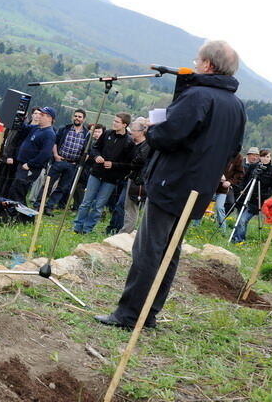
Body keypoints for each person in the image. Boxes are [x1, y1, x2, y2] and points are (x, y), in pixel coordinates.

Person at [95, 40, 246, 330]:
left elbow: (168, 136)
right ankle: (150, 312)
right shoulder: (237, 106)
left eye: (198, 59)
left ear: (208, 65)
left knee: (149, 249)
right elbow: (233, 149)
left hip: (172, 182)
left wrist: (154, 130)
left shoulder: (199, 95)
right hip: (199, 189)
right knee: (170, 251)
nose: (196, 62)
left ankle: (129, 314)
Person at [73, 113, 135, 234]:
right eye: (114, 121)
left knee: (98, 206)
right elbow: (95, 148)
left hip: (111, 179)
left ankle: (87, 229)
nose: (114, 123)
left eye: (117, 122)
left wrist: (113, 165)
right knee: (86, 202)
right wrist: (97, 156)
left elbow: (128, 165)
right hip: (96, 173)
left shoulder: (129, 142)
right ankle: (77, 226)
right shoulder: (107, 134)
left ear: (124, 125)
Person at [5, 107, 57, 202]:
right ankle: (15, 213)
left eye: (42, 115)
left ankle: (22, 215)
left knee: (18, 191)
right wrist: (20, 118)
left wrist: (30, 164)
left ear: (50, 118)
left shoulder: (49, 134)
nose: (39, 117)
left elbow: (45, 154)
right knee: (16, 190)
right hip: (22, 164)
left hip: (30, 167)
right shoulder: (37, 128)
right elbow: (24, 128)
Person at [45, 109, 89, 214]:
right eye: (75, 116)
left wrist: (79, 163)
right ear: (73, 117)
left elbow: (87, 152)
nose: (77, 118)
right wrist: (55, 155)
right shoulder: (65, 129)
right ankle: (39, 204)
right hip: (60, 160)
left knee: (62, 187)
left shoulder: (87, 134)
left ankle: (49, 206)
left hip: (72, 164)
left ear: (84, 119)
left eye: (79, 117)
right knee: (48, 183)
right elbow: (55, 142)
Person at [231, 149, 272, 243]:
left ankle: (239, 241)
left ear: (270, 158)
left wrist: (262, 196)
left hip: (256, 201)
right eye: (263, 156)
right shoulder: (253, 167)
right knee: (240, 219)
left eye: (268, 157)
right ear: (259, 157)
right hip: (244, 198)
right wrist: (242, 189)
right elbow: (244, 179)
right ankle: (235, 238)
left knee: (243, 220)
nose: (265, 159)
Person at [119, 117, 151, 234]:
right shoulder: (135, 144)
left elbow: (138, 161)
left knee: (131, 207)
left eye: (134, 130)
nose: (131, 132)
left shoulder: (146, 146)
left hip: (139, 180)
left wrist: (129, 163)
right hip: (134, 177)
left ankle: (126, 232)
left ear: (141, 131)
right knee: (128, 206)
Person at [213, 153, 245, 233]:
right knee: (203, 204)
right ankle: (196, 226)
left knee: (220, 208)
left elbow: (239, 173)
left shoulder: (238, 157)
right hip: (211, 184)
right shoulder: (220, 150)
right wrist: (219, 174)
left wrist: (230, 182)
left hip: (223, 188)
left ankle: (223, 231)